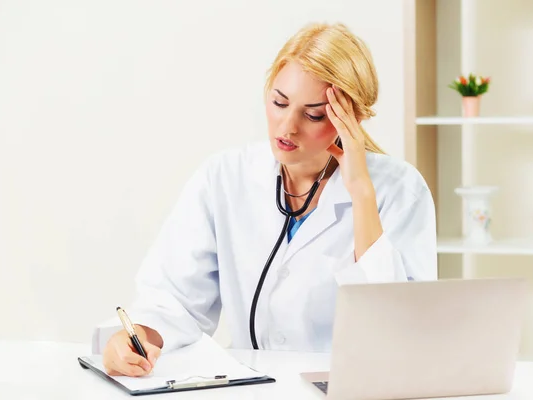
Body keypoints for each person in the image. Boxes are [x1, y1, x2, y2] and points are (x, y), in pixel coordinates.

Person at [96, 22, 437, 377]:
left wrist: (361, 192)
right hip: (250, 387)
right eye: (279, 102)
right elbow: (173, 299)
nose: (287, 126)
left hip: (351, 389)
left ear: (354, 117)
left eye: (314, 113)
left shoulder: (399, 191)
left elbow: (399, 328)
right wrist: (135, 339)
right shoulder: (224, 178)